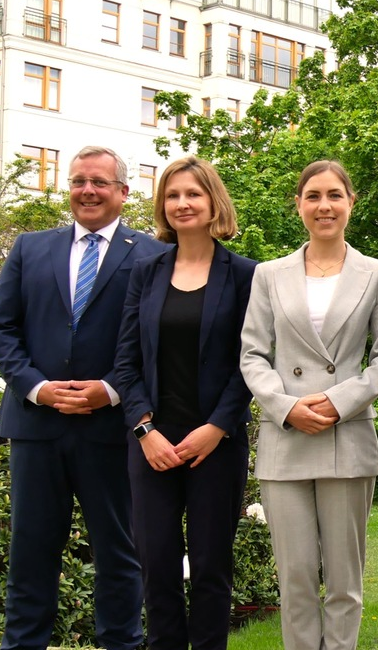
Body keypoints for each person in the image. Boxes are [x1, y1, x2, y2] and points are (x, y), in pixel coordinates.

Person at [0, 146, 167, 650]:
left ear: (123, 192)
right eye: (78, 181)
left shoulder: (152, 255)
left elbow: (154, 341)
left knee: (119, 552)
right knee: (30, 551)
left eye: (99, 182)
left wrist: (109, 390)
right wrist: (37, 388)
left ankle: (121, 644)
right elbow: (2, 330)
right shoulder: (29, 248)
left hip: (112, 429)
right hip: (36, 427)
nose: (87, 191)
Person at [239, 160, 378, 650]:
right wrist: (286, 407)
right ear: (298, 205)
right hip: (285, 436)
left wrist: (335, 401)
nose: (324, 206)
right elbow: (252, 353)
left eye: (334, 195)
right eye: (313, 196)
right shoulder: (269, 274)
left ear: (352, 202)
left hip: (346, 435)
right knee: (297, 578)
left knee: (346, 581)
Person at [113, 156, 257, 650]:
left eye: (193, 193)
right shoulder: (145, 272)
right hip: (152, 444)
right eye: (172, 195)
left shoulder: (245, 275)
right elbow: (126, 360)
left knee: (212, 567)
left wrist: (216, 427)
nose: (182, 203)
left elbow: (250, 361)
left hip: (216, 444)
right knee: (156, 566)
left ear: (214, 201)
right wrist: (144, 430)